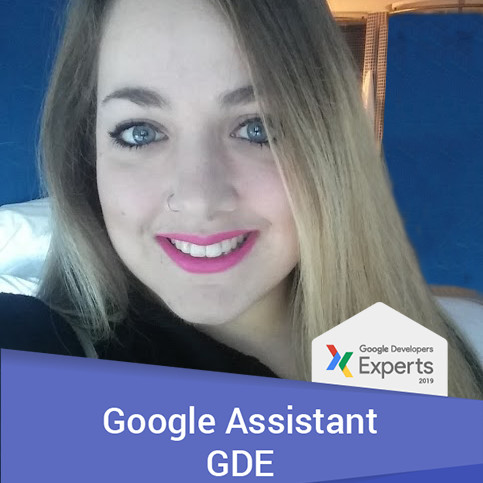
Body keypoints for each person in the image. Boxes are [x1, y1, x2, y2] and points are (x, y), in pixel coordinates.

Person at [0, 0, 481, 397]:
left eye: (258, 128)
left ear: (328, 149)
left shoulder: (407, 344)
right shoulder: (43, 360)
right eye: (140, 132)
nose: (199, 198)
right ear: (85, 159)